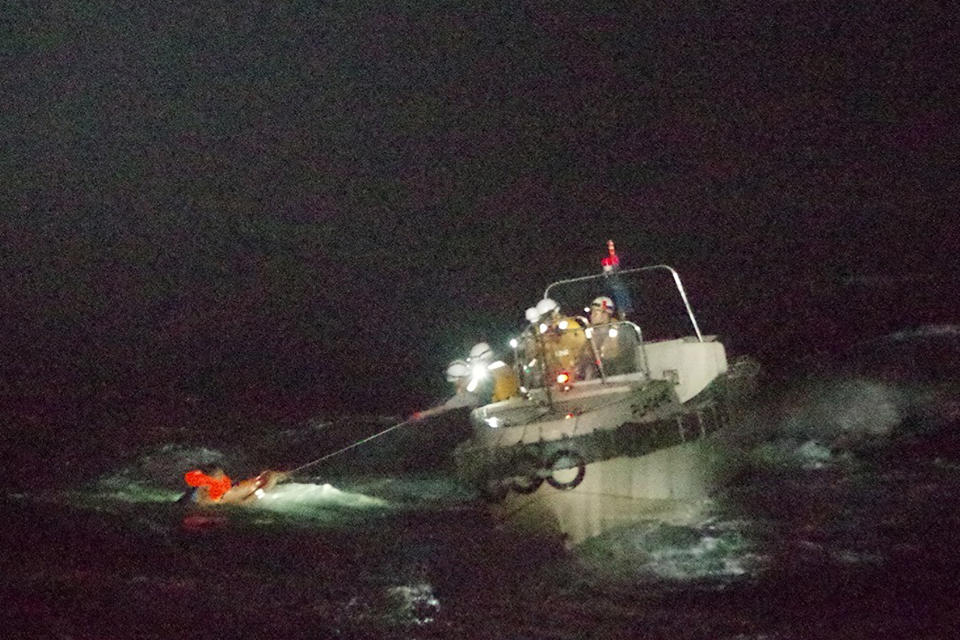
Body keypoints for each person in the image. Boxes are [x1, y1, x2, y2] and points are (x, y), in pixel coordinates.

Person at [580, 296, 639, 378]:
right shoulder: (590, 333)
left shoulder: (622, 330)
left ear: (605, 314)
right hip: (598, 377)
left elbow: (628, 357)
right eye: (591, 313)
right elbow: (585, 357)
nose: (591, 316)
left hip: (621, 375)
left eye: (595, 313)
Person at [412, 359, 480, 420]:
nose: (454, 384)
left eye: (454, 381)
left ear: (459, 379)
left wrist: (423, 414)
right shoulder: (473, 387)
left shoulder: (468, 396)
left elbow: (444, 408)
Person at [180, 467, 289, 505]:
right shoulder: (216, 499)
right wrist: (264, 490)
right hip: (261, 483)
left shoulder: (194, 493)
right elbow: (246, 503)